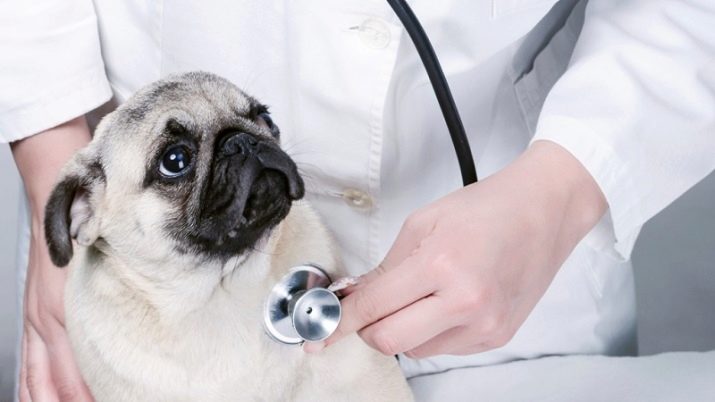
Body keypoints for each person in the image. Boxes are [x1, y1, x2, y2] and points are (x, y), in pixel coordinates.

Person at [2, 0, 714, 401]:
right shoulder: (89, 212)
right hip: (142, 323)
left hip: (508, 272)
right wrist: (53, 175)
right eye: (180, 161)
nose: (244, 149)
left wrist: (555, 192)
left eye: (256, 125)